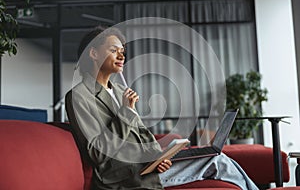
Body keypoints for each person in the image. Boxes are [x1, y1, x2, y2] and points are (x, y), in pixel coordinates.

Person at [65, 26, 259, 190]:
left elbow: (142, 135)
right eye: (114, 50)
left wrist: (159, 156)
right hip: (124, 175)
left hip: (148, 165)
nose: (121, 55)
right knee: (218, 162)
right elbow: (98, 153)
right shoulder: (78, 96)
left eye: (123, 51)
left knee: (216, 155)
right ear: (93, 53)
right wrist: (125, 112)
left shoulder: (119, 90)